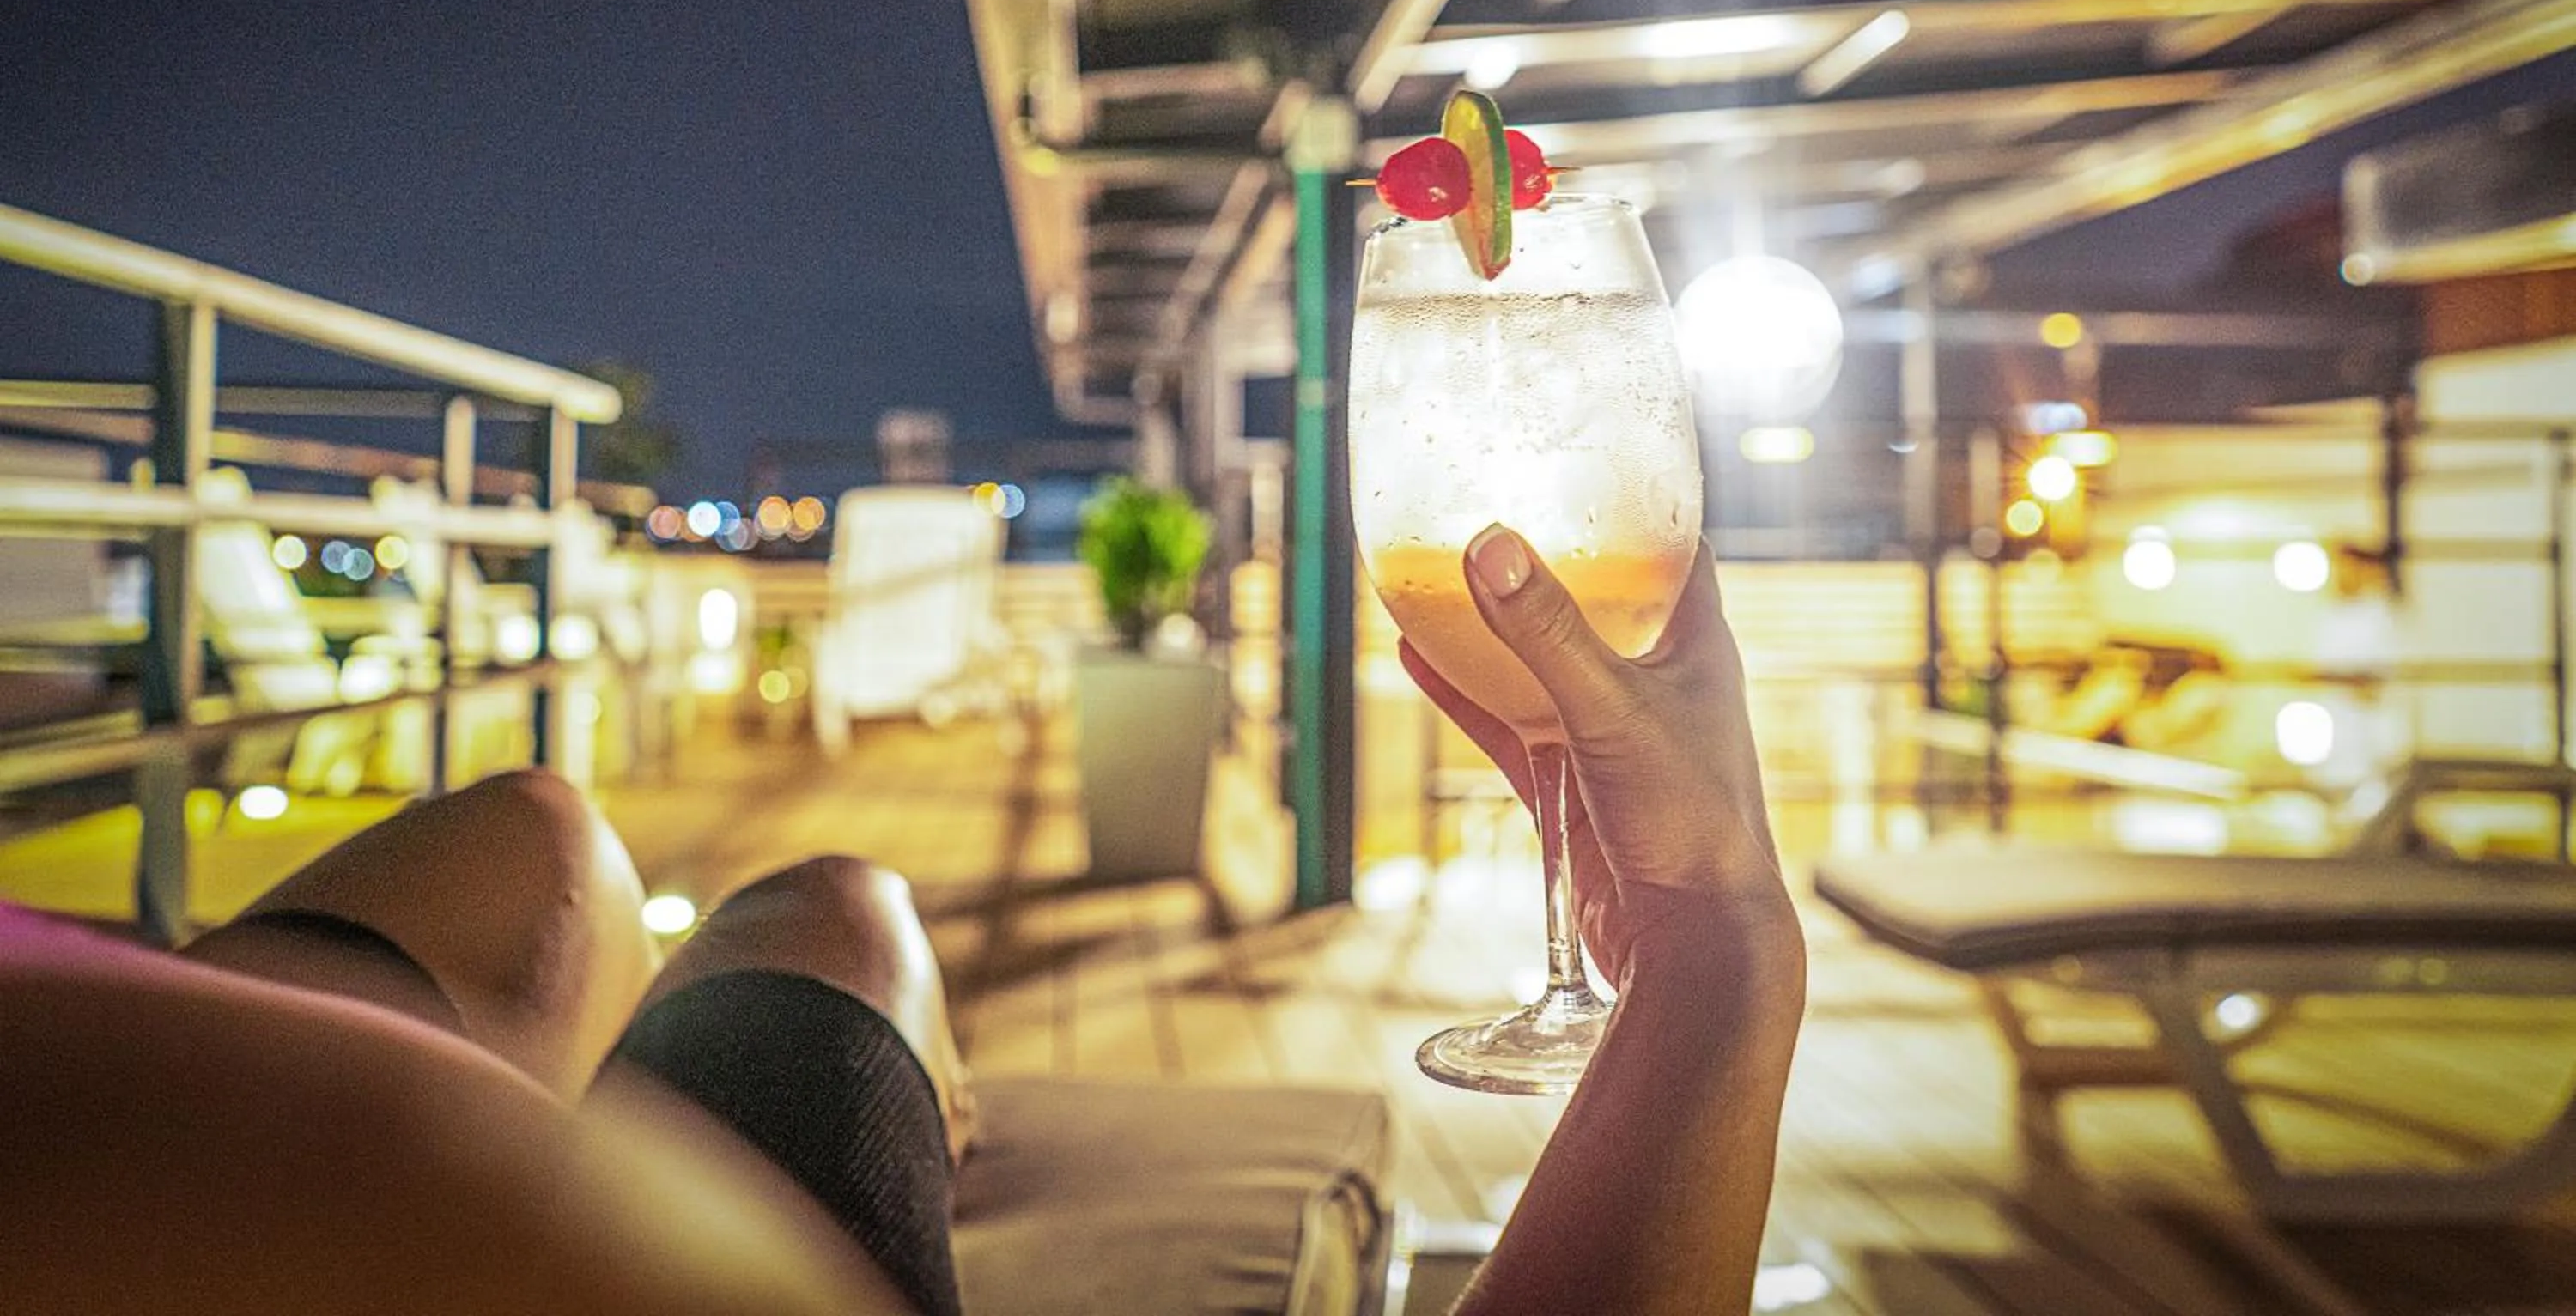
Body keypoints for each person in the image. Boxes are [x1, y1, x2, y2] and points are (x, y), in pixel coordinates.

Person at [0, 526, 1803, 1315]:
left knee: (541, 838)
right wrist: (1720, 953)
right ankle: (885, 1045)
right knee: (844, 909)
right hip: (349, 1164)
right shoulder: (380, 1194)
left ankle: (840, 1025)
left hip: (129, 1018)